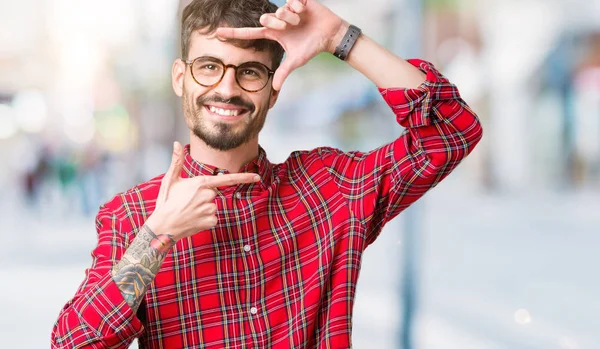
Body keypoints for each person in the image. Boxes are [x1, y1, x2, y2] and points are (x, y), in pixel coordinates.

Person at [51, 0, 483, 347]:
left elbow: (452, 132)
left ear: (274, 90)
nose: (227, 88)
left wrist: (340, 37)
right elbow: (73, 343)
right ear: (180, 78)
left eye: (251, 72)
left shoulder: (329, 187)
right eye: (209, 67)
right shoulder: (132, 216)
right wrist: (157, 235)